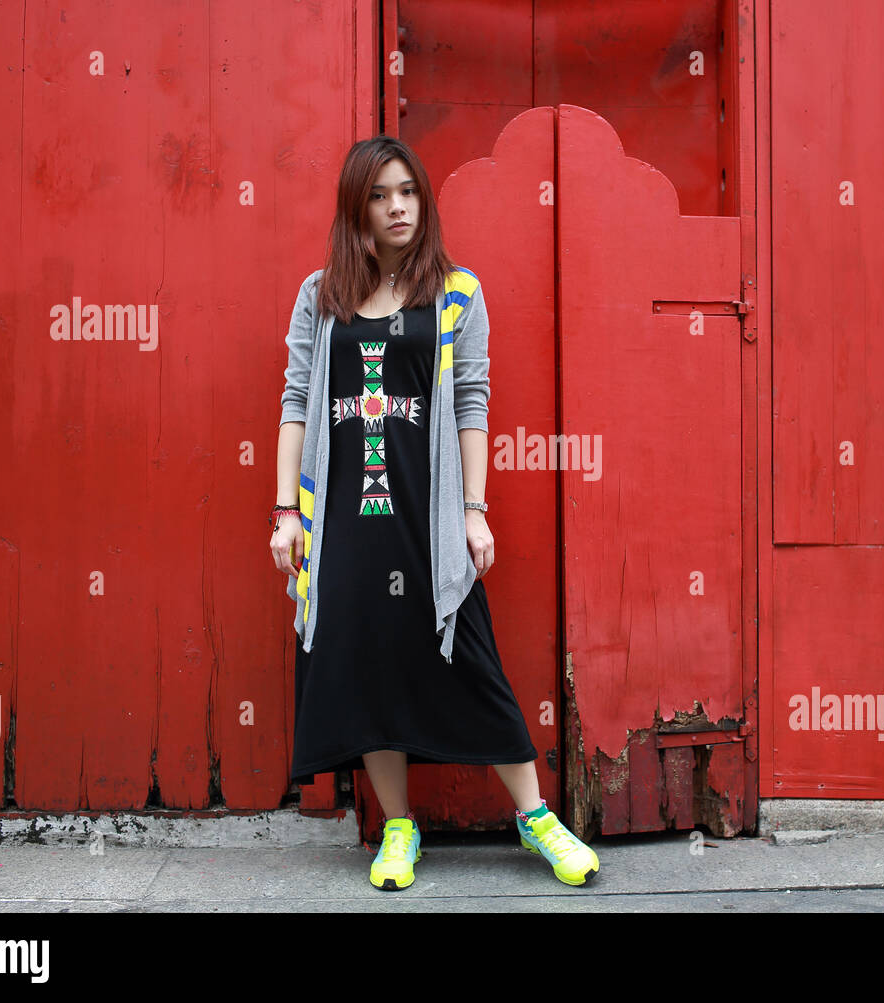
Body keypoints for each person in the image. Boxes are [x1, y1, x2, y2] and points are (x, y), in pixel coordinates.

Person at [269, 134, 599, 890]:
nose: (397, 207)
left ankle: (535, 817)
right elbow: (295, 398)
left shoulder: (458, 293)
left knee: (471, 654)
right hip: (347, 520)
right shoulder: (322, 295)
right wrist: (287, 511)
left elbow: (471, 403)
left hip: (429, 519)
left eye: (408, 192)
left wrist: (475, 510)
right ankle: (397, 826)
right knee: (370, 664)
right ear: (358, 206)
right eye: (381, 194)